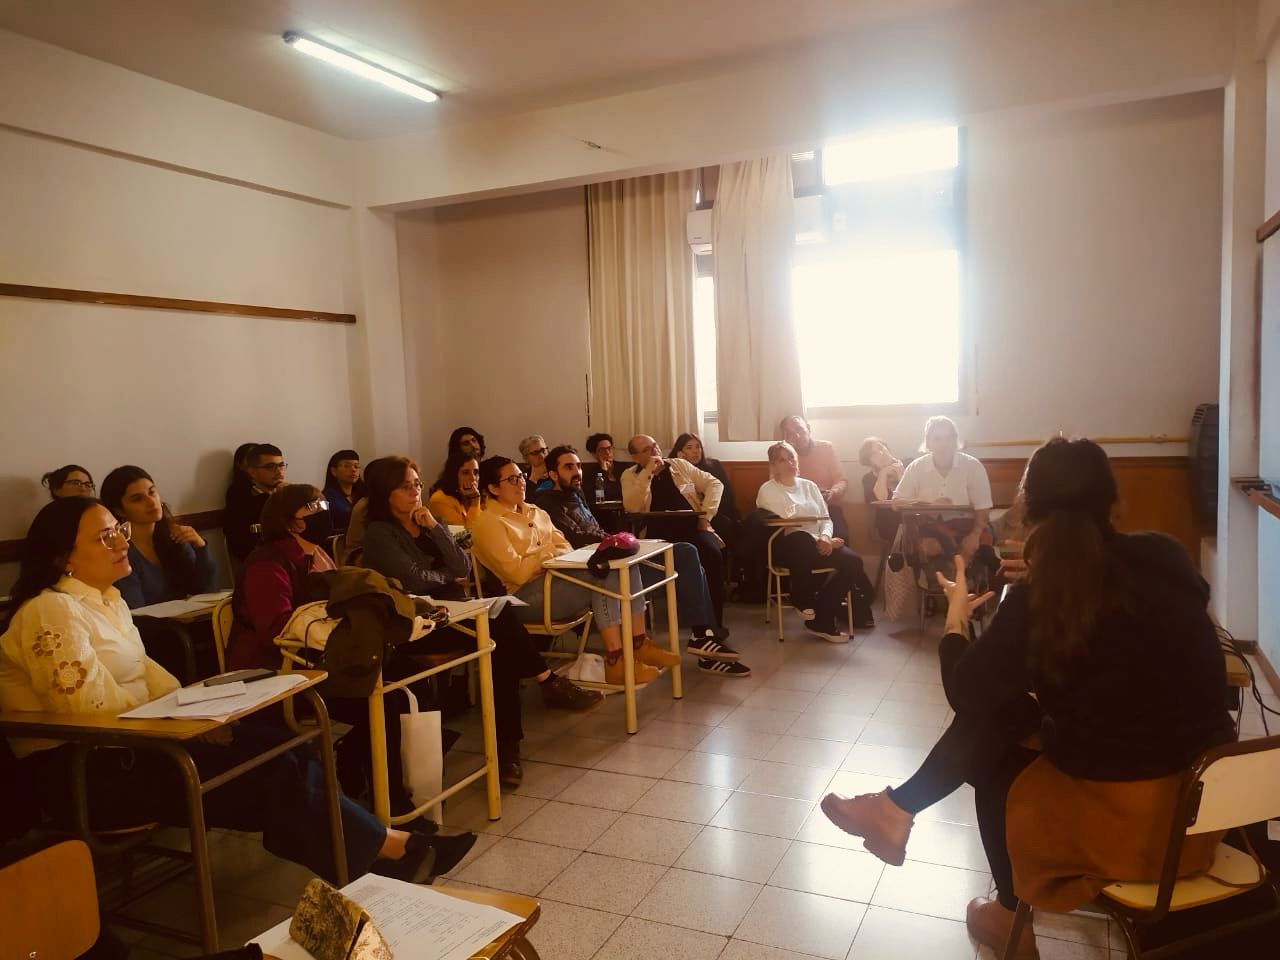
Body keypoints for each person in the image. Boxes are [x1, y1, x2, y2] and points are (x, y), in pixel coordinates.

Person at [820, 439, 1235, 957]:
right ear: (1113, 502)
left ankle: (1003, 910)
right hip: (1209, 811)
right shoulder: (1166, 555)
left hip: (1130, 833)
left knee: (993, 736)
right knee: (1011, 714)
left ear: (1027, 510)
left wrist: (956, 618)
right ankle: (895, 810)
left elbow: (966, 693)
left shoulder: (1040, 599)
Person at [0, 497, 443, 885]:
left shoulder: (107, 600)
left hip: (141, 743)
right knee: (272, 771)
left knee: (291, 746)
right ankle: (386, 852)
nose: (121, 543)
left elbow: (149, 674)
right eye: (105, 537)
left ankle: (379, 850)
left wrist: (195, 712)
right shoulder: (50, 609)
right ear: (63, 557)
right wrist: (178, 720)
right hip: (87, 769)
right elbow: (87, 707)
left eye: (119, 530)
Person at [362, 456, 603, 786]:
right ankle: (544, 689)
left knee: (500, 640)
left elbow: (462, 566)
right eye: (405, 487)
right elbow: (415, 580)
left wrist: (434, 529)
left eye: (417, 484)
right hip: (418, 623)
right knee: (501, 629)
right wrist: (446, 575)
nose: (415, 492)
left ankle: (509, 746)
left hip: (455, 612)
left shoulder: (428, 521)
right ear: (384, 492)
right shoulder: (379, 533)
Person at [535, 446, 749, 677]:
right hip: (599, 574)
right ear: (553, 474)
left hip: (617, 564)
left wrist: (616, 540)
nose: (577, 471)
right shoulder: (547, 503)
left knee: (687, 553)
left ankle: (702, 635)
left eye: (578, 466)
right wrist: (616, 540)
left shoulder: (576, 495)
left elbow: (596, 531)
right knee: (689, 558)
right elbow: (578, 537)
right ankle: (703, 642)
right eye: (569, 467)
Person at [471, 456, 674, 688]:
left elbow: (565, 547)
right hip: (524, 598)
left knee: (624, 563)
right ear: (493, 488)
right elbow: (517, 572)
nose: (521, 483)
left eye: (521, 476)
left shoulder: (536, 512)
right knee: (603, 574)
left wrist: (540, 556)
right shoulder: (488, 523)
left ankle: (639, 643)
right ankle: (615, 660)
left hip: (556, 580)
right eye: (512, 479)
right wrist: (548, 554)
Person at [756, 442, 874, 639]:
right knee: (801, 538)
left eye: (792, 458)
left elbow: (825, 518)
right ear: (773, 466)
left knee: (853, 561)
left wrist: (826, 537)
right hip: (788, 548)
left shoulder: (809, 486)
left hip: (819, 545)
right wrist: (821, 540)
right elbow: (788, 524)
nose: (790, 463)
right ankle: (801, 597)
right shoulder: (768, 490)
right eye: (782, 460)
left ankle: (822, 618)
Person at [621, 435, 729, 634]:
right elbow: (632, 506)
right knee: (686, 556)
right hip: (657, 534)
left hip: (693, 527)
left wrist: (706, 516)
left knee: (712, 553)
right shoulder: (630, 475)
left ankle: (714, 625)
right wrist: (647, 472)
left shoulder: (679, 465)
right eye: (647, 450)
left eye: (655, 446)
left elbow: (715, 484)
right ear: (635, 457)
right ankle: (700, 626)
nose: (655, 451)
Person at [892, 416, 995, 583]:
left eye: (948, 438)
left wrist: (975, 535)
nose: (943, 444)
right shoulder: (916, 467)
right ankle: (947, 586)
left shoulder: (972, 466)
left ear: (956, 440)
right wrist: (927, 504)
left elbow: (983, 507)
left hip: (968, 526)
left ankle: (957, 586)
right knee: (926, 546)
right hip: (928, 527)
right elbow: (896, 503)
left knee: (972, 546)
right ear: (928, 442)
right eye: (937, 439)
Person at [99, 466, 218, 609]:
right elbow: (135, 610)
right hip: (151, 623)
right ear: (119, 510)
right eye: (137, 499)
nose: (151, 501)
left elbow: (208, 590)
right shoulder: (121, 551)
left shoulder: (173, 537)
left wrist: (200, 547)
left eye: (152, 492)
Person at [779, 415, 850, 542]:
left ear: (808, 428)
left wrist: (833, 492)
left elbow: (841, 480)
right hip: (798, 512)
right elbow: (779, 486)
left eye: (799, 429)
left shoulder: (826, 448)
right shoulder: (782, 457)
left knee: (841, 539)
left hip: (828, 507)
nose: (796, 436)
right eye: (789, 433)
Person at [670, 432, 740, 549]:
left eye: (698, 447)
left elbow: (727, 495)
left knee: (723, 525)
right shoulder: (675, 471)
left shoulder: (713, 466)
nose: (695, 451)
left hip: (715, 512)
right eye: (689, 448)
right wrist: (681, 463)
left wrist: (708, 513)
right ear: (680, 452)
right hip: (689, 515)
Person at [224, 443, 288, 562]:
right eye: (270, 467)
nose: (279, 472)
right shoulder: (243, 500)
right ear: (252, 472)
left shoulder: (288, 495)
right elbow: (241, 545)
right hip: (265, 561)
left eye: (281, 466)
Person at [859, 436, 905, 544]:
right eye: (874, 454)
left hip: (914, 517)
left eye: (881, 448)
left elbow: (914, 492)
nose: (881, 453)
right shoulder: (868, 479)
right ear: (869, 461)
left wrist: (901, 474)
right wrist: (883, 472)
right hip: (888, 523)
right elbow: (881, 498)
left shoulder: (909, 465)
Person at [428, 452, 482, 527]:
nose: (473, 478)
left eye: (476, 472)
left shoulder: (479, 496)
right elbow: (466, 533)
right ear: (453, 475)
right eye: (466, 473)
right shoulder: (439, 499)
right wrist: (475, 501)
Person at [323, 449, 365, 533]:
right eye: (346, 466)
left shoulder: (364, 494)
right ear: (334, 471)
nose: (353, 470)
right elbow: (321, 523)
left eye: (356, 466)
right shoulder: (324, 498)